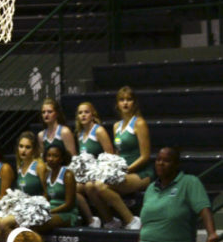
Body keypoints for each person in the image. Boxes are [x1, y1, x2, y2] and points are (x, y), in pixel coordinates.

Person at [86, 86, 151, 230]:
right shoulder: (116, 126)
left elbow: (145, 156)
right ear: (117, 104)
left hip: (141, 173)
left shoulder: (139, 123)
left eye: (129, 99)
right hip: (123, 172)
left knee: (101, 186)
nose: (125, 103)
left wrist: (126, 170)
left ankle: (131, 220)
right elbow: (118, 154)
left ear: (134, 103)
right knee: (90, 186)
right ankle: (110, 221)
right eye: (122, 100)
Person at [0, 131, 46, 242]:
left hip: (35, 209)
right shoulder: (20, 166)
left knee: (4, 223)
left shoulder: (39, 166)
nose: (23, 150)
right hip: (21, 207)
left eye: (27, 147)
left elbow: (46, 192)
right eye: (21, 146)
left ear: (34, 149)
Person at [74, 102, 113, 228]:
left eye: (86, 112)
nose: (83, 115)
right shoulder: (79, 134)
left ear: (92, 114)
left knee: (90, 186)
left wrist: (97, 172)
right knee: (73, 188)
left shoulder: (99, 130)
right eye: (80, 113)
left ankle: (109, 220)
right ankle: (91, 219)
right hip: (88, 175)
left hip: (101, 173)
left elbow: (110, 156)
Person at [32, 145, 79, 233]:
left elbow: (69, 205)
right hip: (51, 211)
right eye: (48, 155)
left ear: (61, 159)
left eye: (55, 156)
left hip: (67, 214)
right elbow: (46, 197)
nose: (51, 159)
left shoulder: (67, 175)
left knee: (36, 224)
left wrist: (50, 211)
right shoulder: (47, 175)